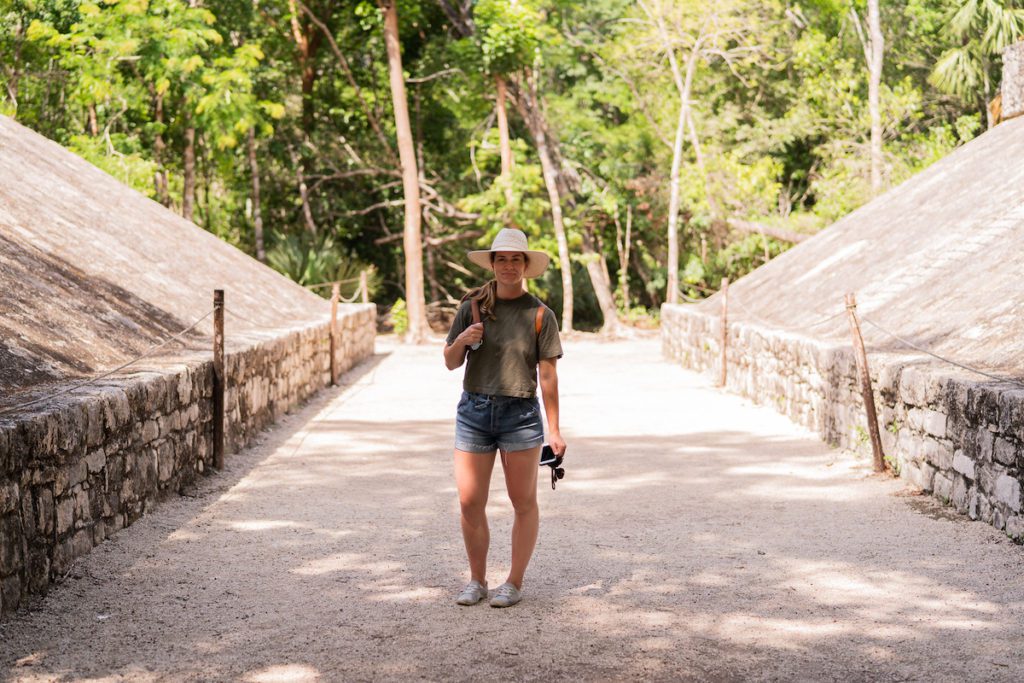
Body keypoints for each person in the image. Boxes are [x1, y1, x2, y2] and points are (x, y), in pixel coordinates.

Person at [443, 228, 566, 608]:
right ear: (493, 264)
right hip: (474, 412)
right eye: (502, 259)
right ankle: (476, 581)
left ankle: (513, 582)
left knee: (523, 501)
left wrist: (555, 429)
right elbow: (450, 362)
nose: (509, 266)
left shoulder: (541, 314)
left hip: (521, 415)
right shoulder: (473, 307)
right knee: (469, 501)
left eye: (516, 259)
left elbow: (547, 374)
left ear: (526, 265)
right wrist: (462, 340)